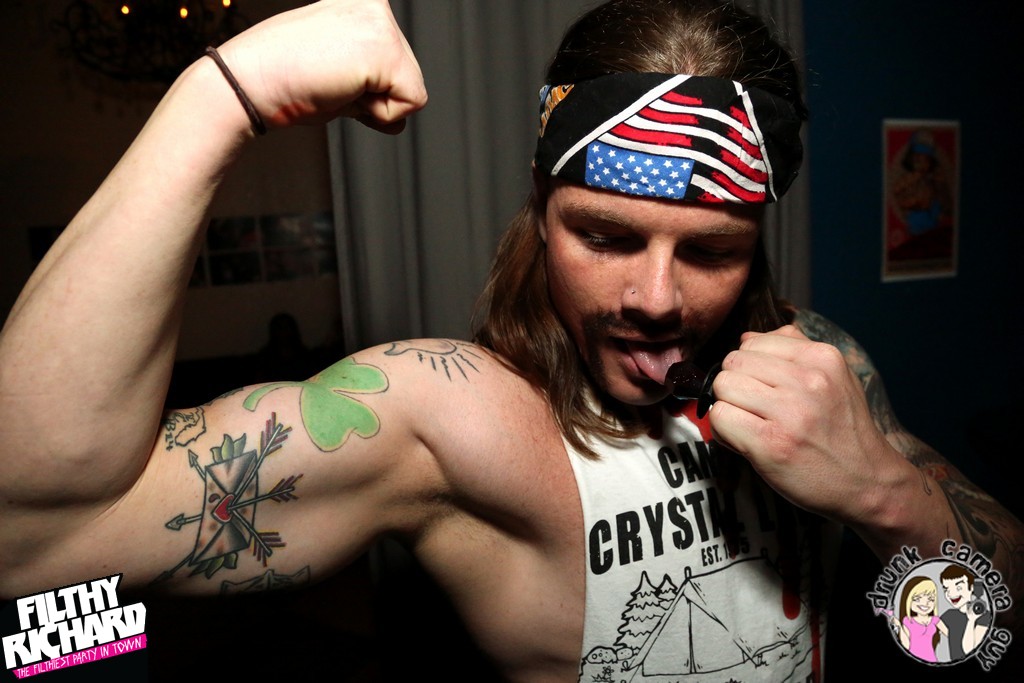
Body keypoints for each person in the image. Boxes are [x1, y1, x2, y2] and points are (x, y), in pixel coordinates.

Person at [0, 0, 1020, 681]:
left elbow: (971, 645)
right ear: (541, 205)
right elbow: (34, 544)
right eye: (605, 236)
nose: (655, 297)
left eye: (710, 250)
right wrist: (223, 96)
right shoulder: (454, 418)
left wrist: (885, 498)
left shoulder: (820, 365)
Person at [940, 564, 993, 661]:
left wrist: (971, 620)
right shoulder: (949, 615)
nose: (951, 594)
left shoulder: (984, 616)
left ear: (971, 587)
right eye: (946, 589)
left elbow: (969, 651)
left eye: (958, 588)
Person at [892, 576, 947, 662]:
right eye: (917, 599)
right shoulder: (908, 621)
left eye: (931, 599)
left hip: (931, 659)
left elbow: (951, 635)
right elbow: (906, 645)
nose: (925, 603)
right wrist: (898, 626)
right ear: (908, 600)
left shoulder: (935, 620)